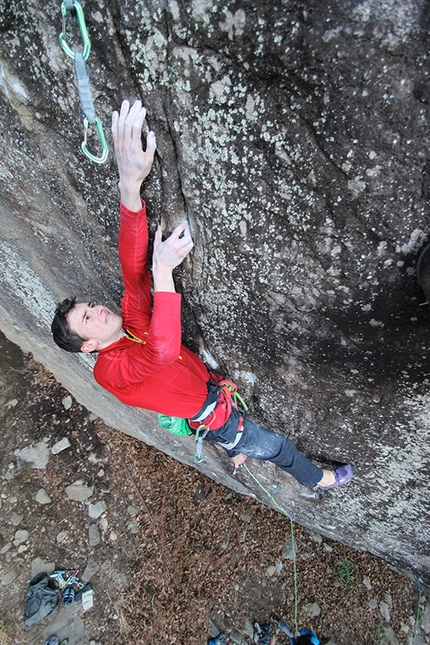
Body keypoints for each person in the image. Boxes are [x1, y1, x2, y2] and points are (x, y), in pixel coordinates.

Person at [51, 99, 354, 490]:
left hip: (206, 390)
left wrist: (129, 186)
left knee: (233, 434)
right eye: (87, 318)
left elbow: (132, 268)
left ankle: (235, 448)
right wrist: (164, 271)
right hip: (214, 415)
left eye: (90, 306)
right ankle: (320, 479)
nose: (97, 310)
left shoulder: (131, 322)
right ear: (89, 345)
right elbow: (160, 353)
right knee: (276, 446)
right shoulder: (110, 372)